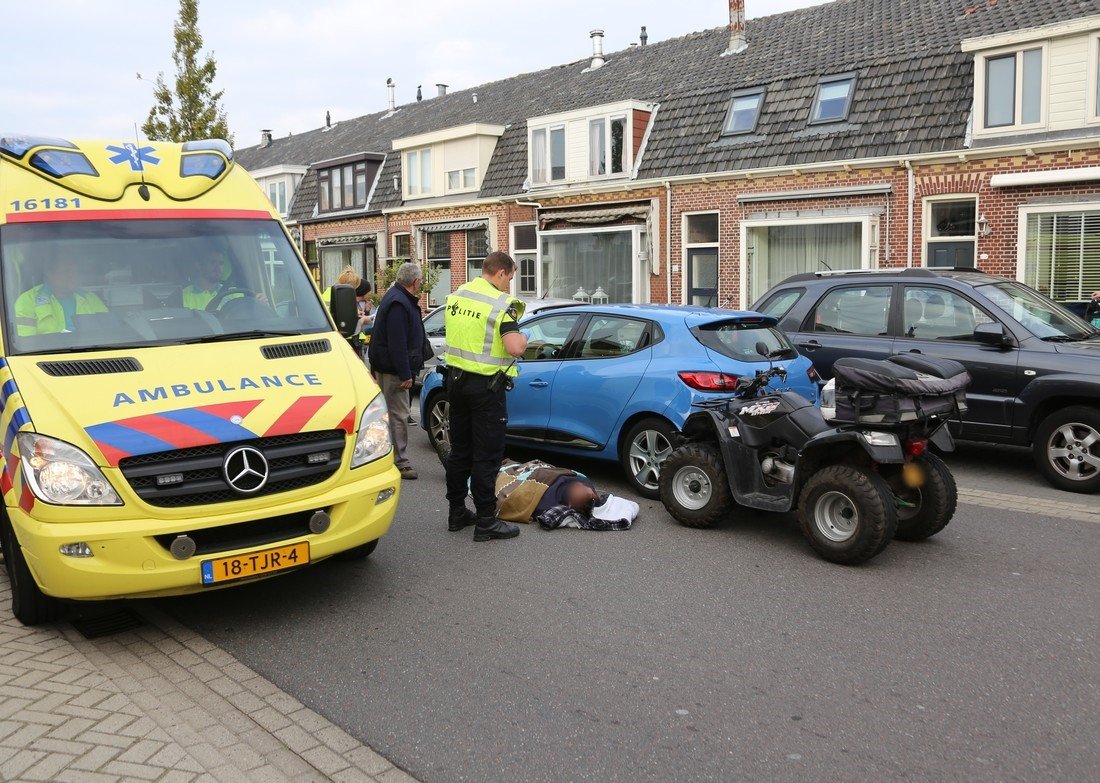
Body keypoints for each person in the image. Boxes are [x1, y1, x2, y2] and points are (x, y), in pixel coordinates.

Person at [443, 251, 528, 541]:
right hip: (485, 389)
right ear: (502, 273)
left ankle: (456, 512)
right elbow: (515, 347)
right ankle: (486, 521)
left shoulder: (458, 295)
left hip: (455, 383)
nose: (509, 285)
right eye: (510, 278)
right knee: (487, 456)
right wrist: (525, 338)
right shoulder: (501, 305)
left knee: (460, 451)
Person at [367, 262, 428, 481]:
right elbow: (397, 342)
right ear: (415, 282)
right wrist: (405, 373)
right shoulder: (399, 303)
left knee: (386, 414)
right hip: (394, 370)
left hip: (387, 366)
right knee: (399, 415)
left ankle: (381, 456)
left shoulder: (394, 297)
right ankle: (399, 461)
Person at [15, 248, 108, 335]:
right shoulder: (27, 301)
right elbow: (26, 343)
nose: (73, 275)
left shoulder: (90, 299)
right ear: (49, 273)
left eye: (75, 271)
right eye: (66, 271)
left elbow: (108, 333)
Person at [322, 266, 372, 356]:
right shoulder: (344, 296)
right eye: (354, 288)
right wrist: (362, 320)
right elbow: (348, 328)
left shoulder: (327, 292)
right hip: (344, 343)